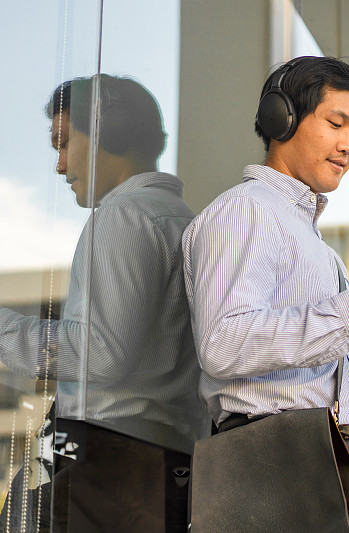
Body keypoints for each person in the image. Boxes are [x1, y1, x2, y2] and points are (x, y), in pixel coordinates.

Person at [182, 55, 349, 532]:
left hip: (325, 453)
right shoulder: (246, 211)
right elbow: (223, 344)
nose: (348, 145)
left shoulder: (310, 239)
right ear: (280, 119)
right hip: (278, 463)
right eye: (336, 124)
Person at [0, 74, 207, 532]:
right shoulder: (183, 222)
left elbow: (102, 353)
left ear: (107, 133)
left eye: (63, 142)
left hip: (110, 461)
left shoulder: (122, 217)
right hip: (163, 461)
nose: (59, 165)